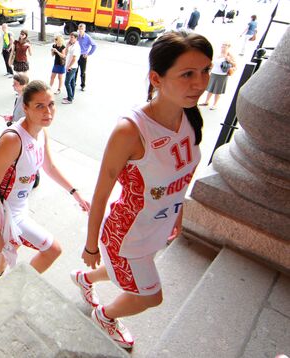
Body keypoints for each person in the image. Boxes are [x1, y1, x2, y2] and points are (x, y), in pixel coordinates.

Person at [70, 31, 212, 349]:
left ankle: (83, 279)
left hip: (156, 227)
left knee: (130, 273)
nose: (200, 83)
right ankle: (105, 316)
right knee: (149, 296)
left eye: (205, 71)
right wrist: (91, 245)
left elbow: (183, 175)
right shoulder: (131, 130)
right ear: (155, 78)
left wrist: (178, 214)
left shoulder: (190, 116)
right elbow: (102, 190)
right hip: (126, 235)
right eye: (187, 73)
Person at [0, 80, 90, 280]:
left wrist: (76, 193)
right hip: (8, 213)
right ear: (25, 108)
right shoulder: (13, 140)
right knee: (53, 250)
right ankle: (13, 290)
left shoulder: (41, 132)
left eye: (51, 104)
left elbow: (49, 167)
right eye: (39, 106)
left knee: (12, 244)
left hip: (22, 204)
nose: (47, 111)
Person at [199, 41, 236, 110]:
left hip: (222, 75)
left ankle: (215, 104)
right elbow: (212, 63)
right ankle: (206, 101)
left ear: (228, 47)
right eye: (222, 46)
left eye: (225, 46)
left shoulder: (229, 56)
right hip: (214, 73)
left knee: (217, 90)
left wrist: (229, 60)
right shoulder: (218, 54)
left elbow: (235, 65)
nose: (223, 48)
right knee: (210, 88)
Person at [76, 24, 96, 92]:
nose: (80, 30)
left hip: (83, 56)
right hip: (76, 55)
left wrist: (88, 54)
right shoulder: (77, 36)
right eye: (79, 28)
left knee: (83, 72)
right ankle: (73, 83)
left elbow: (94, 46)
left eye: (82, 29)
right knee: (74, 70)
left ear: (84, 29)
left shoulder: (87, 37)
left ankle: (83, 85)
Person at [63, 32, 81, 104]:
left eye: (72, 37)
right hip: (71, 66)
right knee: (72, 82)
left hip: (72, 67)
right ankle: (71, 96)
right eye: (70, 37)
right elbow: (66, 53)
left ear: (76, 38)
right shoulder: (71, 45)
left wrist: (69, 66)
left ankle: (70, 99)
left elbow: (74, 58)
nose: (70, 39)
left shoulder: (76, 47)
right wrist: (67, 46)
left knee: (67, 83)